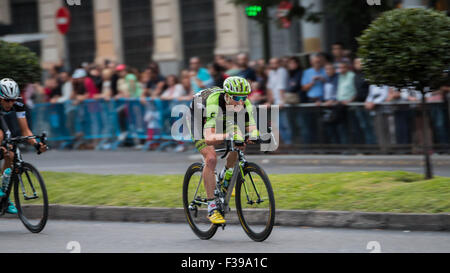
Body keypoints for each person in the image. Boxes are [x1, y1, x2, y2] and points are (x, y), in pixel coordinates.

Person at [188, 77, 259, 225]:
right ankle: (212, 208)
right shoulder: (215, 103)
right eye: (237, 98)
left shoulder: (243, 103)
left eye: (244, 97)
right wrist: (228, 135)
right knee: (211, 158)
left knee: (239, 141)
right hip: (198, 118)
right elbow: (208, 138)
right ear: (227, 95)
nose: (241, 102)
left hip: (223, 118)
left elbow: (251, 127)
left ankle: (227, 176)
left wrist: (256, 135)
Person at [0, 78, 48, 213]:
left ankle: (4, 198)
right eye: (7, 100)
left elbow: (25, 131)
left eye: (13, 100)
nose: (11, 103)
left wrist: (37, 145)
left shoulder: (18, 104)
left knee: (10, 154)